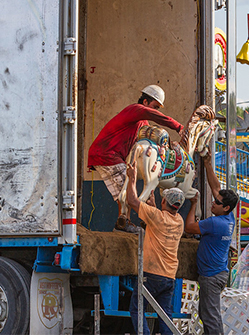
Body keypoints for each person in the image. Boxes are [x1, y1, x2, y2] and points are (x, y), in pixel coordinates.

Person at [87, 85, 184, 232]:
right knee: (126, 191)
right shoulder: (135, 109)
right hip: (106, 154)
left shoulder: (142, 123)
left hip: (111, 155)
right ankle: (124, 223)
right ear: (145, 102)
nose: (155, 111)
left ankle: (126, 221)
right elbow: (154, 116)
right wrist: (178, 127)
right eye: (154, 107)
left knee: (127, 190)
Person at [126, 160, 189, 335]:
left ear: (164, 202)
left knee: (137, 310)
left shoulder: (158, 216)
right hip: (169, 276)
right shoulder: (178, 221)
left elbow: (132, 200)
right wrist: (153, 205)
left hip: (151, 274)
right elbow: (158, 221)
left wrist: (132, 179)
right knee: (165, 315)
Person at [184, 154, 239, 335]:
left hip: (211, 276)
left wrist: (193, 204)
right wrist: (208, 164)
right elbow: (216, 188)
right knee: (207, 313)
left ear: (225, 208)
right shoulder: (229, 216)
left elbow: (190, 227)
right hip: (217, 274)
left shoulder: (216, 223)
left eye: (217, 203)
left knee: (210, 317)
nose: (213, 203)